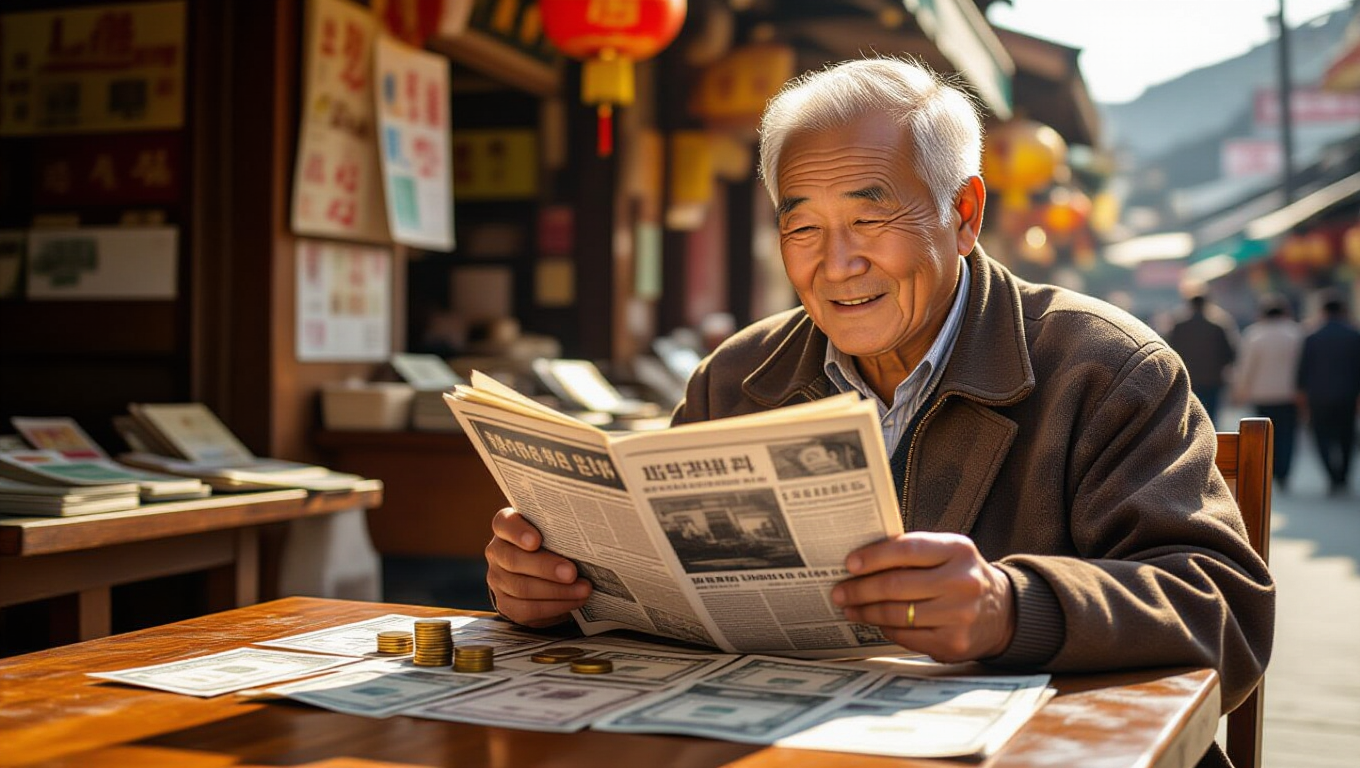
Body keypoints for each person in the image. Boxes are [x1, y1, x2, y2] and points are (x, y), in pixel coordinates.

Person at [484, 57, 1273, 764]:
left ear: (963, 214)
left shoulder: (1103, 367)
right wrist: (555, 592)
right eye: (803, 227)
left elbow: (1226, 611)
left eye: (869, 218)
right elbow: (668, 589)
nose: (837, 264)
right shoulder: (737, 377)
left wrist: (1012, 609)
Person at [1231, 293, 1304, 489]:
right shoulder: (1297, 334)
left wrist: (1240, 392)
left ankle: (1269, 470)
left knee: (1265, 435)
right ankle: (1284, 472)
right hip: (1290, 394)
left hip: (1261, 394)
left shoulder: (1254, 335)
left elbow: (1246, 368)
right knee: (1288, 435)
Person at [1297, 290, 1360, 496]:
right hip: (1348, 394)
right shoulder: (1354, 335)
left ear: (1323, 311)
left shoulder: (1312, 336)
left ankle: (1332, 475)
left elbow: (1303, 369)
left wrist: (1301, 396)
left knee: (1321, 436)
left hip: (1319, 395)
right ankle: (1342, 475)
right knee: (1346, 436)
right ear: (1343, 311)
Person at [1165, 288, 1239, 426]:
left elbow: (1169, 351)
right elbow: (1230, 353)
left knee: (1189, 418)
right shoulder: (1218, 326)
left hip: (1187, 379)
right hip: (1213, 380)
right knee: (1210, 418)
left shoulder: (1179, 326)